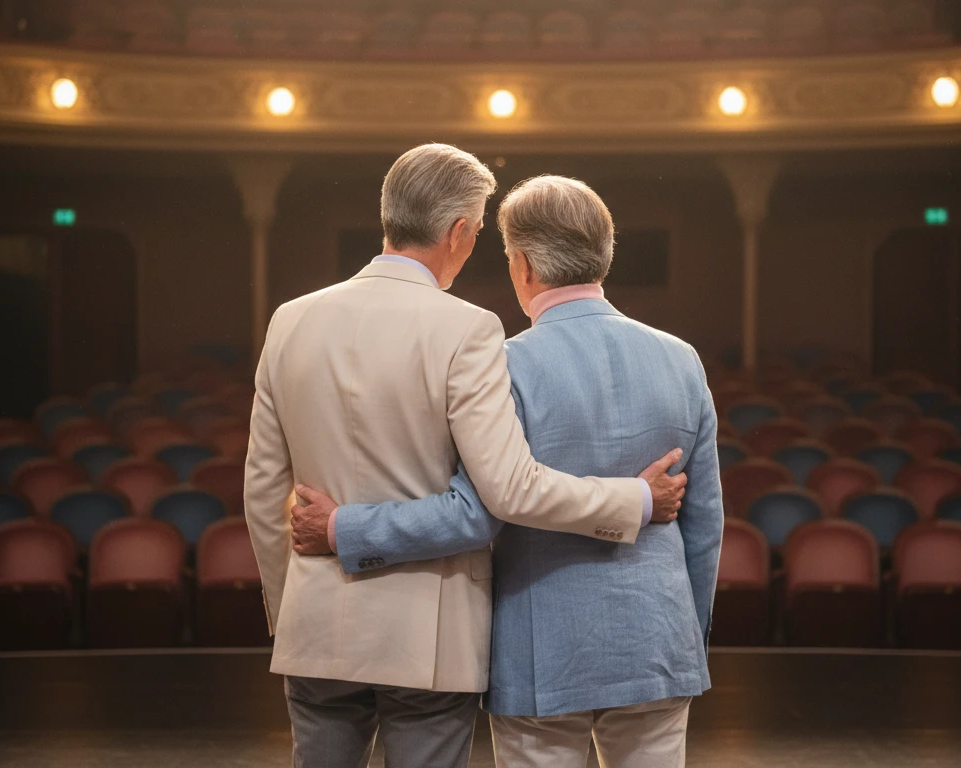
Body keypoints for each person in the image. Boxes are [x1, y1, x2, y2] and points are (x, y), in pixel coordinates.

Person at [244, 145, 687, 768]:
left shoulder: (289, 320)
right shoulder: (469, 328)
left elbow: (264, 489)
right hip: (429, 632)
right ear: (457, 232)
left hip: (315, 626)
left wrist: (293, 605)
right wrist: (634, 498)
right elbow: (504, 492)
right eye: (478, 232)